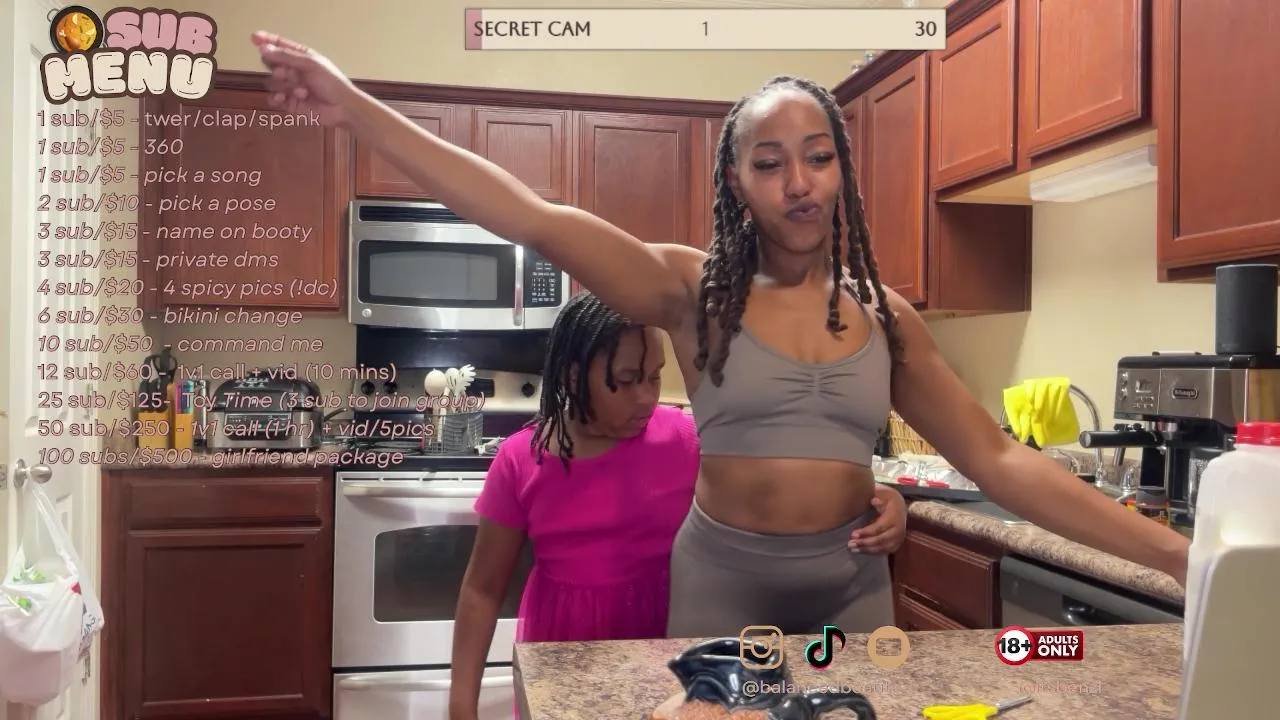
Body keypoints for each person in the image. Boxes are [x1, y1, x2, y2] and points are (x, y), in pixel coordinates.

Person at [250, 31, 1190, 632]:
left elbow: (1002, 460)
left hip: (850, 590)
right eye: (770, 163)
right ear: (737, 183)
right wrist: (357, 108)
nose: (798, 183)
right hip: (722, 588)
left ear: (842, 171)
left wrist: (1186, 555)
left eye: (817, 158)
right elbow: (529, 214)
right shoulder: (691, 293)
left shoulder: (887, 317)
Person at [448, 290, 908, 720]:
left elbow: (783, 487)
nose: (647, 397)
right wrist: (461, 705)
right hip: (566, 649)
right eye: (627, 380)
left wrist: (883, 498)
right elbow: (482, 590)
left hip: (674, 641)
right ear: (572, 376)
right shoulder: (521, 460)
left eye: (654, 377)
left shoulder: (687, 439)